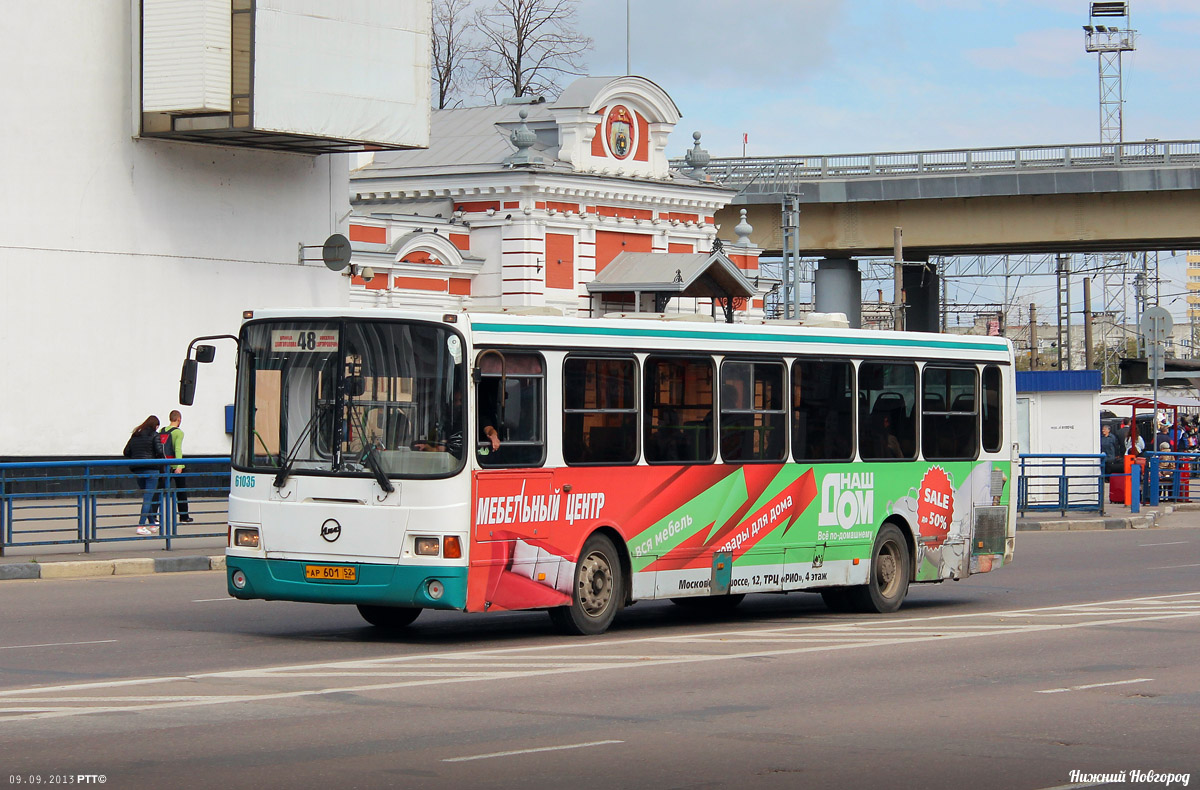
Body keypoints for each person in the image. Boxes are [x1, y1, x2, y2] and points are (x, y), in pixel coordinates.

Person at [123, 415, 164, 534]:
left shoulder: (136, 435)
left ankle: (152, 524)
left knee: (147, 496)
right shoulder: (155, 435)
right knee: (148, 498)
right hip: (151, 469)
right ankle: (141, 526)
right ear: (155, 426)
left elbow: (126, 451)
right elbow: (159, 451)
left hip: (138, 469)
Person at [162, 410, 193, 523]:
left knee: (159, 491)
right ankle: (184, 516)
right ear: (179, 419)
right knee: (181, 491)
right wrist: (179, 465)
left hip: (164, 465)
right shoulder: (178, 433)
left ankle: (154, 516)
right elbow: (177, 449)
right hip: (176, 466)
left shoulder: (162, 430)